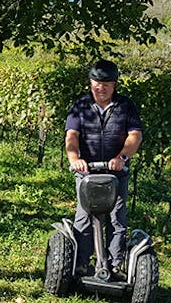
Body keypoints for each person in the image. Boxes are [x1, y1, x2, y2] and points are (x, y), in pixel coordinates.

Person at [64, 59, 142, 280]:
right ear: (91, 83)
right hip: (87, 171)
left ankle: (115, 265)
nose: (102, 87)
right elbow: (71, 135)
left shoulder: (126, 106)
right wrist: (75, 158)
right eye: (98, 82)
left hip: (116, 172)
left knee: (117, 217)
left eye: (107, 82)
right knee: (83, 217)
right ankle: (81, 264)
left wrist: (122, 157)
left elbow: (134, 135)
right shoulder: (80, 106)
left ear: (115, 84)